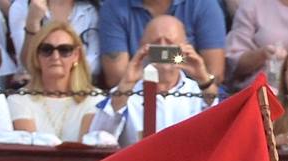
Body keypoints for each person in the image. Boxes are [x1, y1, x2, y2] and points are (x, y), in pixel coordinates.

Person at [89, 14, 218, 146]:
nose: (163, 49)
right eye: (156, 43)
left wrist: (203, 78)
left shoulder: (199, 89)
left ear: (185, 47)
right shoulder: (124, 93)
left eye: (169, 43)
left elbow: (220, 126)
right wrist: (127, 83)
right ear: (143, 48)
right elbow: (97, 139)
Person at [97, 0, 225, 89]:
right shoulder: (114, 7)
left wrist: (200, 78)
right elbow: (116, 79)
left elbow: (215, 73)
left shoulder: (203, 3)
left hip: (195, 93)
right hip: (137, 95)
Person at [8, 20, 101, 142]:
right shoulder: (19, 99)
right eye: (47, 49)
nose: (55, 56)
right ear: (37, 56)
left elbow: (85, 149)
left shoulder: (95, 99)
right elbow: (32, 150)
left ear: (76, 55)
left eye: (64, 50)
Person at [10, 0, 100, 84]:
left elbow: (94, 65)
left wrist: (57, 75)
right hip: (36, 88)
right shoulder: (22, 6)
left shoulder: (92, 9)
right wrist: (33, 23)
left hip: (81, 87)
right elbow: (28, 65)